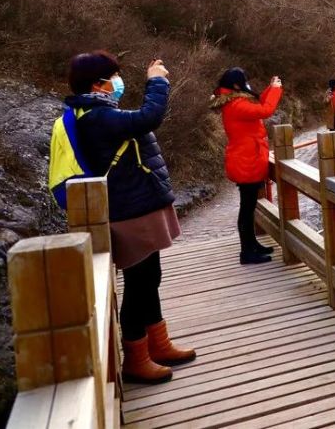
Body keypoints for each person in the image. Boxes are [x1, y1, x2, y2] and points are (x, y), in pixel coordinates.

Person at [65, 51, 195, 385]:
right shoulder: (94, 116)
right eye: (114, 76)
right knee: (138, 286)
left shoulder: (100, 111)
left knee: (150, 278)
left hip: (137, 206)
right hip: (129, 211)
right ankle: (137, 358)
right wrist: (156, 80)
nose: (118, 82)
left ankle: (158, 344)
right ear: (98, 83)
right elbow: (148, 117)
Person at [210, 68, 283, 264]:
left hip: (246, 158)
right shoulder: (236, 105)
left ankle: (251, 245)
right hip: (246, 161)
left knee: (249, 207)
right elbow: (265, 110)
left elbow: (258, 102)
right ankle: (246, 252)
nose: (247, 84)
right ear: (236, 85)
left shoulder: (234, 101)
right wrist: (275, 90)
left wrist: (271, 87)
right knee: (247, 208)